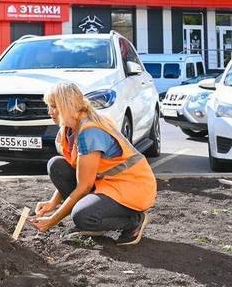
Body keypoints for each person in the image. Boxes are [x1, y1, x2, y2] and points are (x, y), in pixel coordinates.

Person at [29, 81, 156, 245]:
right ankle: (96, 213)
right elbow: (76, 168)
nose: (49, 111)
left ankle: (133, 221)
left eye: (54, 106)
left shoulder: (90, 132)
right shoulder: (70, 127)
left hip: (132, 187)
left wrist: (51, 221)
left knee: (82, 217)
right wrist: (53, 202)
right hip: (107, 183)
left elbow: (84, 187)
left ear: (67, 106)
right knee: (56, 165)